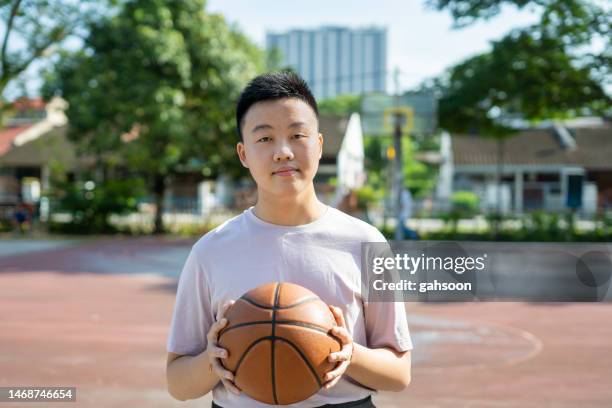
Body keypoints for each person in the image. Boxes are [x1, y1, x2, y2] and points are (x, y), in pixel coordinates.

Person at [166, 72, 413, 408]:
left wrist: (348, 353)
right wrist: (213, 359)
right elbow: (178, 383)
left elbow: (399, 373)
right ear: (243, 154)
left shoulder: (366, 241)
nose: (283, 152)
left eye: (297, 135)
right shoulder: (211, 250)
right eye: (265, 139)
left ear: (320, 144)